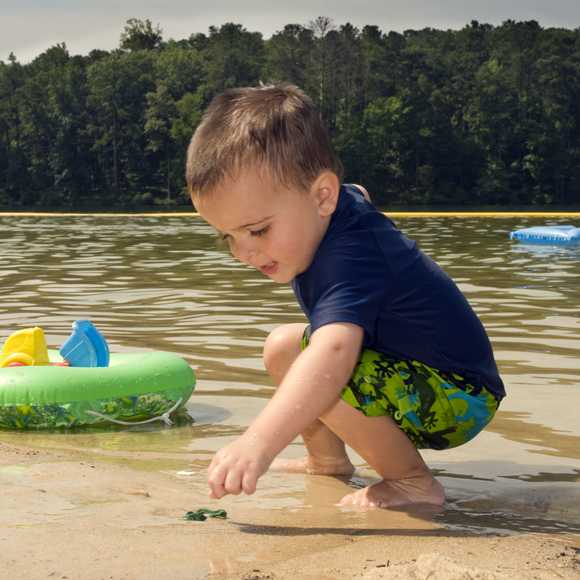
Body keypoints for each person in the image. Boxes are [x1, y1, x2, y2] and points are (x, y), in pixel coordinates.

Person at [185, 83, 505, 509]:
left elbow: (334, 351)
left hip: (457, 397)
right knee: (283, 346)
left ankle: (412, 481)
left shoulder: (349, 257)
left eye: (258, 230)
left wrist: (257, 443)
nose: (244, 252)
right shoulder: (332, 207)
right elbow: (357, 192)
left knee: (317, 360)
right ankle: (328, 462)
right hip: (422, 378)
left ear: (322, 196)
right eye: (227, 236)